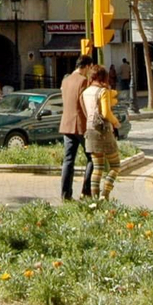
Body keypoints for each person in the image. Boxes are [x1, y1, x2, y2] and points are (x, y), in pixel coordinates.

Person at [59, 55, 95, 201]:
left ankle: (65, 195)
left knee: (68, 160)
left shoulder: (65, 81)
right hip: (80, 124)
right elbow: (84, 103)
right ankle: (86, 192)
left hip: (66, 125)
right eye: (90, 68)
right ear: (86, 66)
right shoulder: (84, 81)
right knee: (93, 158)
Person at [83, 66, 123, 199]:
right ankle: (105, 194)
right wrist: (116, 122)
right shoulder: (103, 92)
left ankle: (95, 199)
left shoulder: (85, 92)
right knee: (115, 165)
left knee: (97, 167)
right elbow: (106, 113)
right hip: (104, 132)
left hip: (90, 131)